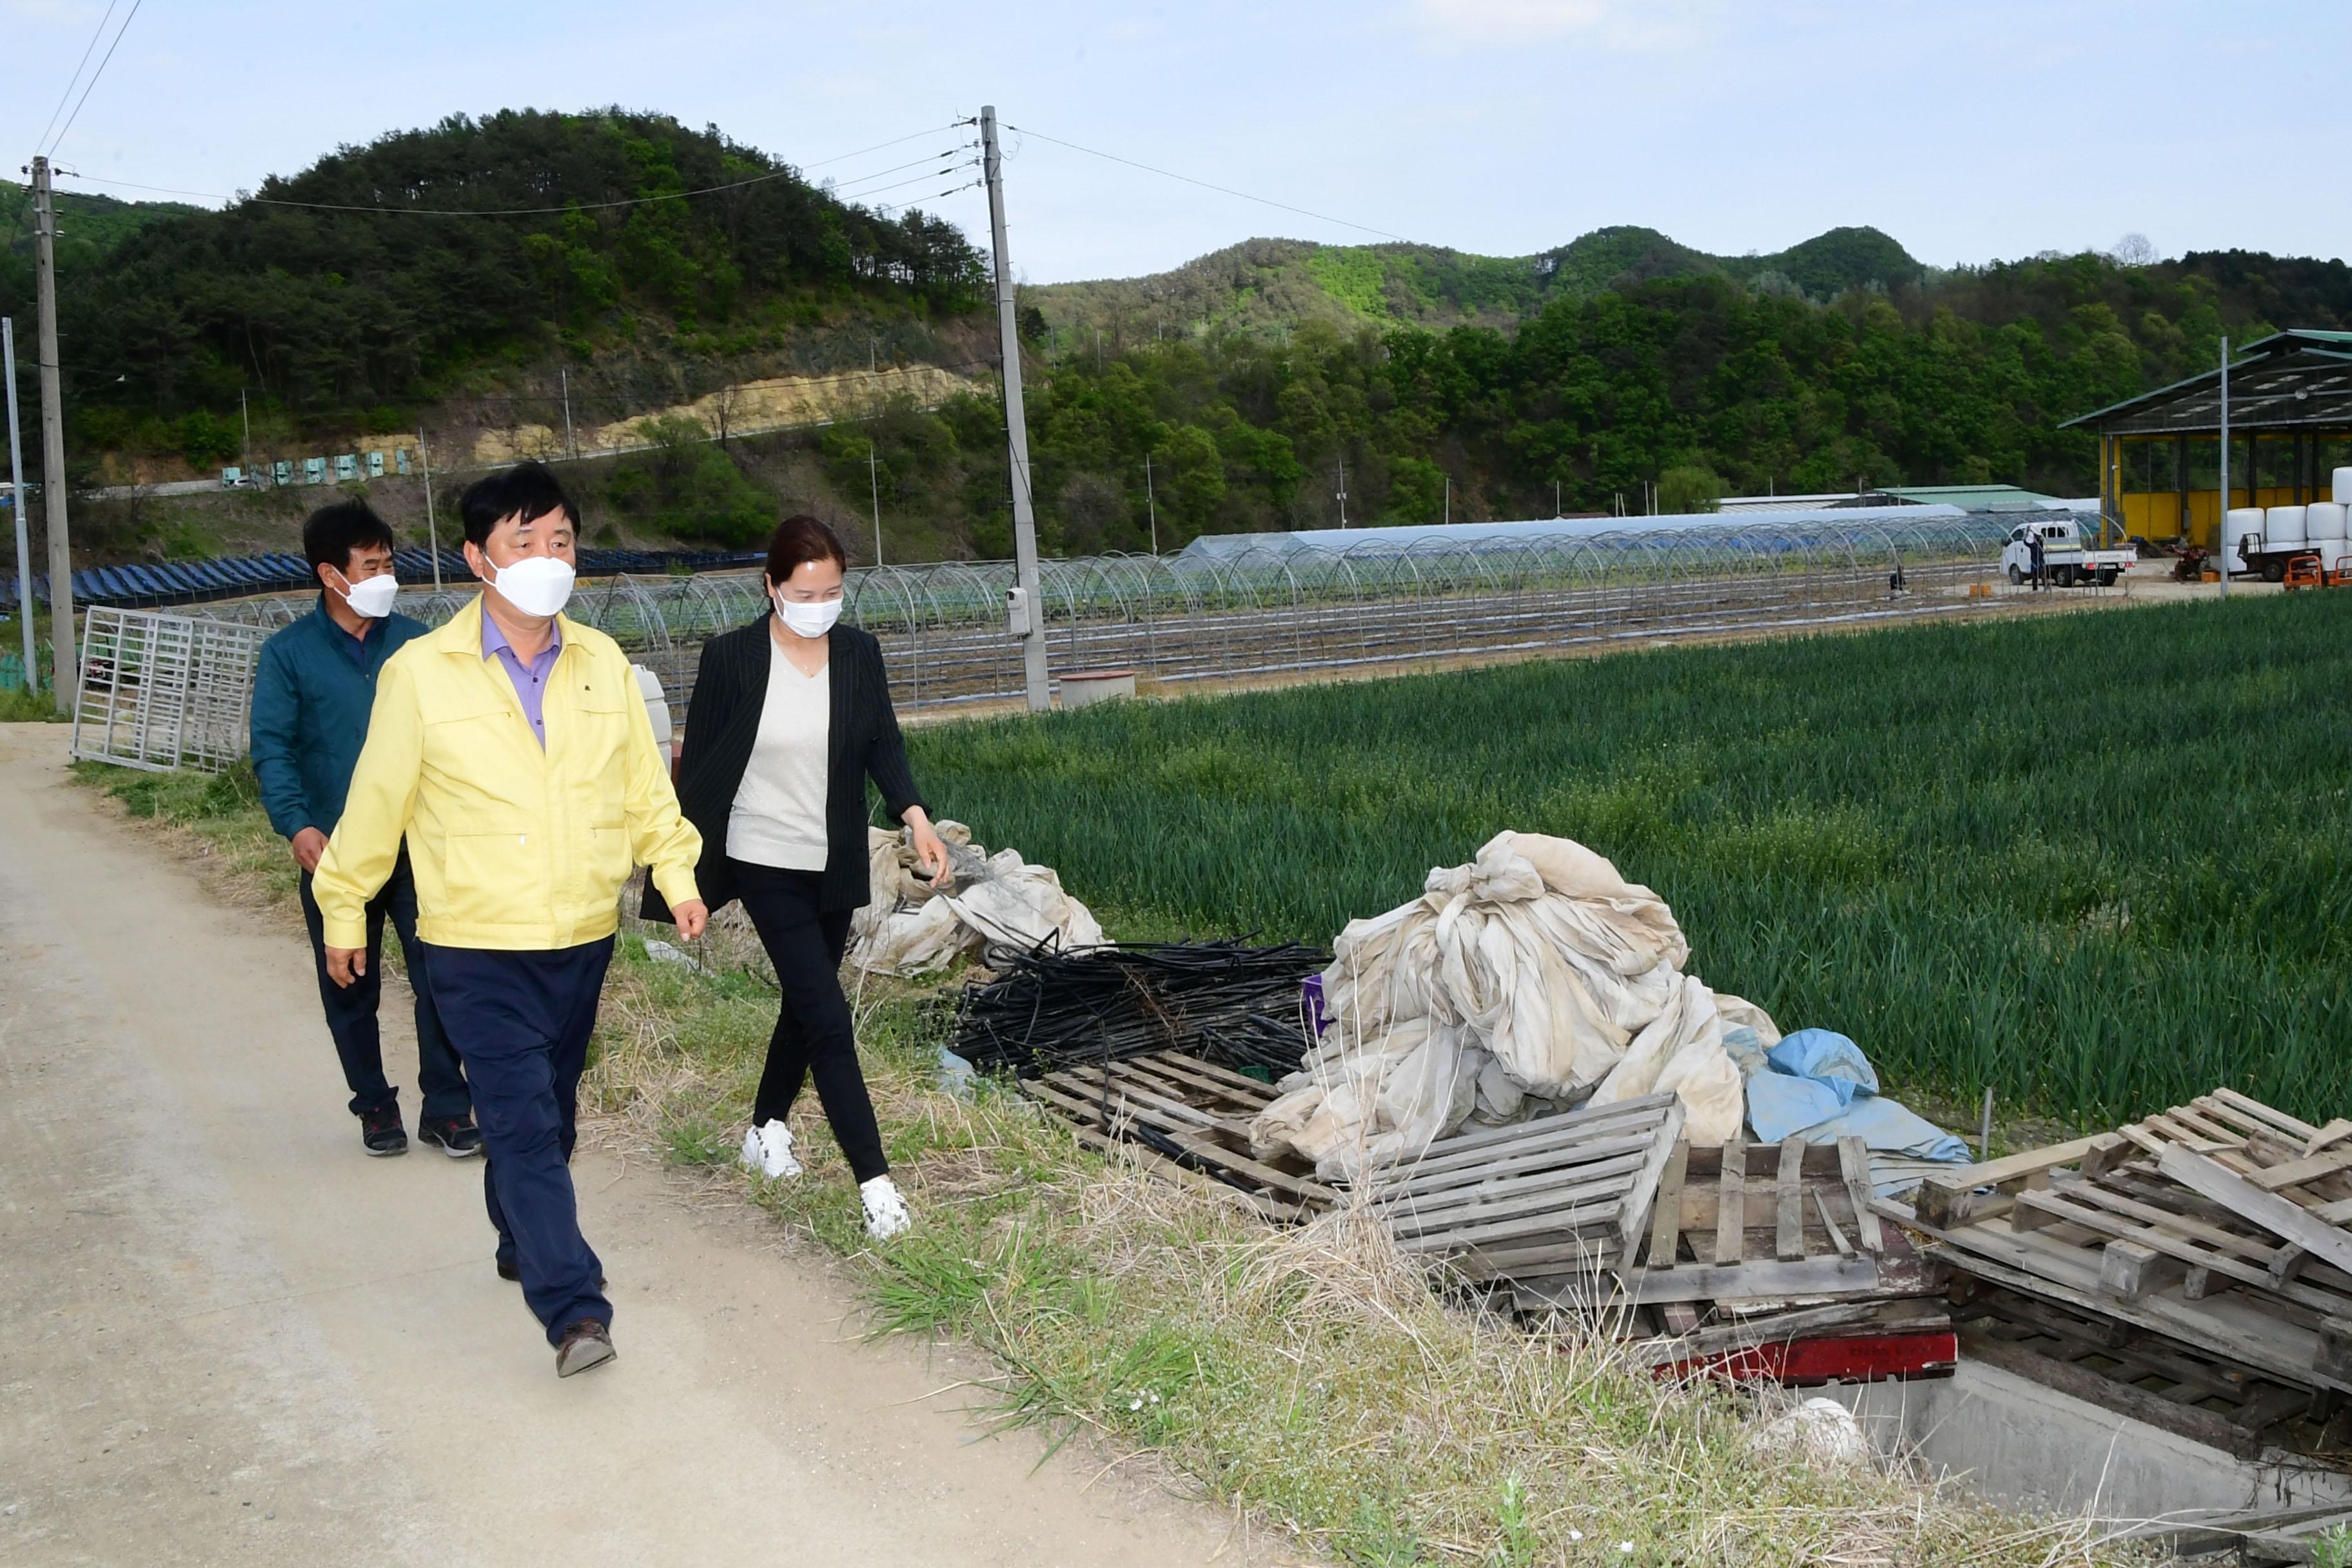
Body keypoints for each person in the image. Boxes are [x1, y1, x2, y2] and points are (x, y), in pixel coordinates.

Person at [310, 462, 708, 1378]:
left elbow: (648, 793)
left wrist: (677, 876)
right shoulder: (420, 674)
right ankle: (575, 1311)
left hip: (579, 936)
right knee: (523, 1125)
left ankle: (516, 1233)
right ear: (478, 560)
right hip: (471, 945)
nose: (547, 557)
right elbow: (376, 806)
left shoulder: (603, 664)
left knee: (551, 1115)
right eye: (524, 541)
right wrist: (343, 909)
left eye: (561, 540)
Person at [645, 514, 945, 1242]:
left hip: (833, 858)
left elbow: (882, 742)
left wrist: (915, 815)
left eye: (834, 590)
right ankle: (876, 1188)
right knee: (829, 1015)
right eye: (806, 591)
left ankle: (765, 1128)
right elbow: (706, 770)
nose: (821, 603)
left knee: (805, 1006)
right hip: (761, 854)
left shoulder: (859, 654)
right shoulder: (733, 657)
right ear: (772, 587)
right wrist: (682, 872)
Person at [251, 502, 476, 1159]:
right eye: (370, 565)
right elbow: (273, 747)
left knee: (440, 973)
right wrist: (296, 825)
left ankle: (447, 1103)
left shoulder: (419, 642)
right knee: (350, 980)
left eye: (388, 562)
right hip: (337, 852)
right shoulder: (289, 654)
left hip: (417, 846)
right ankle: (374, 1102)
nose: (386, 575)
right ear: (330, 573)